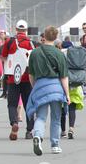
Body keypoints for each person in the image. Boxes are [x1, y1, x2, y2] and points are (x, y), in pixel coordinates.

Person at [27, 26, 70, 156]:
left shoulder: (35, 53)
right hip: (56, 87)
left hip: (40, 85)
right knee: (56, 117)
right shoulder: (59, 54)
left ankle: (38, 136)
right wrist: (67, 94)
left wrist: (36, 86)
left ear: (43, 36)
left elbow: (31, 75)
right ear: (56, 37)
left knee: (40, 116)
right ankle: (55, 144)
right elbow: (64, 76)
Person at [1, 20, 35, 140]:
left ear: (16, 29)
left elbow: (3, 56)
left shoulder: (9, 42)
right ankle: (29, 131)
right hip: (27, 78)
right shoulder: (31, 43)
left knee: (12, 104)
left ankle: (14, 122)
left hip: (12, 78)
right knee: (29, 105)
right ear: (26, 30)